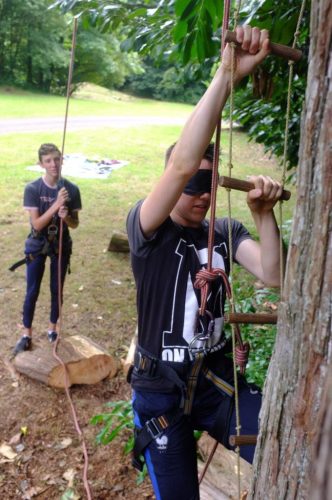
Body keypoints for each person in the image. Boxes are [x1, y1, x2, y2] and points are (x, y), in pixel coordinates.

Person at [126, 26, 284, 499]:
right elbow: (180, 165)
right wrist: (226, 77)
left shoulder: (225, 232)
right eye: (191, 184)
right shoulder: (147, 229)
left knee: (281, 444)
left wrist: (263, 215)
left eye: (209, 185)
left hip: (216, 382)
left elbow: (274, 276)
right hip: (160, 391)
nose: (200, 195)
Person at [13, 143, 81, 355]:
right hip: (37, 244)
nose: (54, 164)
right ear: (41, 164)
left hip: (60, 244)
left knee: (56, 289)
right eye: (48, 160)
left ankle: (53, 328)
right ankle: (26, 334)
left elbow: (74, 224)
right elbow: (37, 224)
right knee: (32, 291)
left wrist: (66, 216)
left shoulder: (71, 188)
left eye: (57, 159)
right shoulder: (33, 189)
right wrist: (56, 204)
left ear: (62, 160)